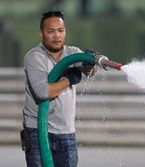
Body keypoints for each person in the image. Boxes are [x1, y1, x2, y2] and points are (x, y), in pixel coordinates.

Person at [21, 11, 97, 167]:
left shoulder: (73, 52)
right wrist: (69, 79)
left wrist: (91, 62)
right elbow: (43, 92)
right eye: (51, 31)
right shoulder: (34, 57)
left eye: (60, 31)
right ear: (41, 33)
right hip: (38, 132)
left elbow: (90, 72)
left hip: (66, 133)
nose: (57, 35)